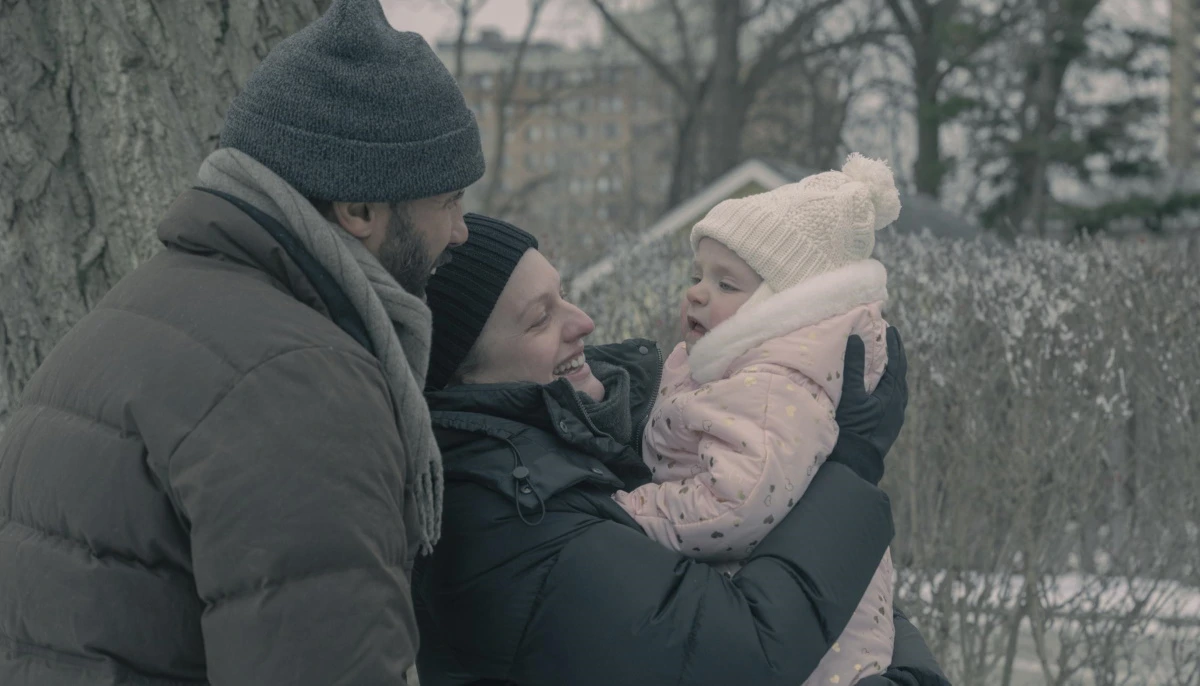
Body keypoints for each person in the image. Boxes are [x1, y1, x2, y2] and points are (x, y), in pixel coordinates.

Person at [0, 1, 480, 683]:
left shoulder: (135, 319)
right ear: (361, 209)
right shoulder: (296, 381)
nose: (461, 231)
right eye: (449, 200)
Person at [416, 213, 950, 686]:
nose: (583, 322)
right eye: (540, 318)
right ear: (463, 376)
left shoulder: (603, 434)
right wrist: (851, 468)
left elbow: (828, 593)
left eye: (564, 295)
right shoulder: (503, 520)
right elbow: (744, 650)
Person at [612, 154, 902, 685]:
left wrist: (627, 510)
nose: (696, 291)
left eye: (728, 284)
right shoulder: (729, 374)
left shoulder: (772, 387)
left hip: (814, 656)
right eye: (697, 275)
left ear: (784, 307)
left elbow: (736, 501)